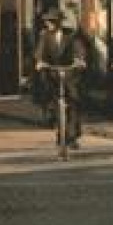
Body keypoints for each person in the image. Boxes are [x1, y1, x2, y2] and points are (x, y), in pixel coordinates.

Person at [34, 8, 88, 147]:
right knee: (54, 100)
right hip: (52, 71)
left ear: (59, 22)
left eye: (52, 21)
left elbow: (79, 48)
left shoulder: (70, 34)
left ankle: (73, 134)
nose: (49, 24)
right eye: (47, 21)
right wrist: (40, 62)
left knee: (74, 99)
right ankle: (59, 131)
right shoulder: (45, 35)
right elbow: (40, 51)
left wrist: (80, 60)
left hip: (69, 71)